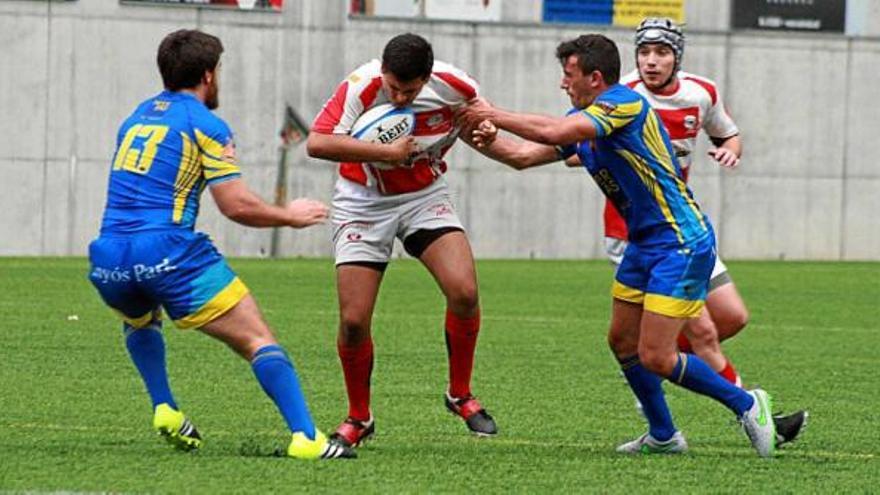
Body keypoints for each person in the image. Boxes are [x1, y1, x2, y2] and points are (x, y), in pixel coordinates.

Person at [458, 34, 778, 457]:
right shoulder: (584, 119)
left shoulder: (623, 104)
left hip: (680, 242)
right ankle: (664, 435)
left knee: (657, 356)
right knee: (623, 342)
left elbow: (553, 129)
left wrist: (492, 112)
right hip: (643, 244)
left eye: (568, 75)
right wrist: (478, 137)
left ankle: (748, 404)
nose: (562, 84)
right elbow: (522, 157)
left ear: (594, 77)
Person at [87, 29, 354, 460]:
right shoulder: (205, 123)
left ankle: (165, 408)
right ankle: (307, 437)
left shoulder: (135, 118)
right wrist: (291, 215)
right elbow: (235, 205)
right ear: (209, 74)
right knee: (258, 340)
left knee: (139, 320)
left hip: (109, 258)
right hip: (167, 252)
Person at [614, 17, 806, 445]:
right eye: (644, 52)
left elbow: (730, 134)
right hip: (640, 235)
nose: (651, 61)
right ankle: (757, 417)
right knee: (700, 332)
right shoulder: (622, 96)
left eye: (661, 52)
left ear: (677, 56)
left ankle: (653, 361)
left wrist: (729, 151)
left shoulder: (701, 93)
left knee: (732, 317)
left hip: (685, 228)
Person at [307, 33, 497, 448]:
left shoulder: (457, 87)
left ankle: (460, 394)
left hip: (424, 197)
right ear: (384, 72)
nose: (397, 97)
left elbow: (474, 124)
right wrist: (388, 153)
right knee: (354, 321)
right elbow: (317, 142)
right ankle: (359, 418)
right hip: (363, 203)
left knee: (464, 291)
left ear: (427, 79)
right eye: (393, 86)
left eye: (408, 91)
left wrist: (484, 131)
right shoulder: (361, 85)